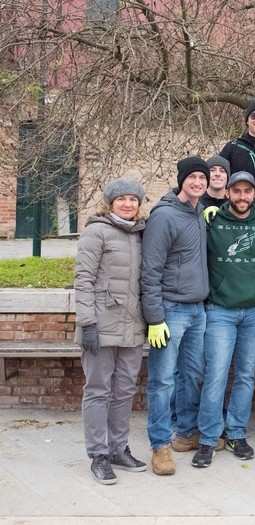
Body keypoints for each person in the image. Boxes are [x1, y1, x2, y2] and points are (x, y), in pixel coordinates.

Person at [192, 171, 255, 467]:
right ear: (227, 193)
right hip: (220, 310)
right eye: (235, 191)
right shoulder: (211, 222)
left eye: (246, 191)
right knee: (216, 374)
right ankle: (209, 438)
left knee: (246, 375)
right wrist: (203, 211)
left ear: (254, 195)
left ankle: (236, 432)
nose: (241, 196)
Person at [75, 178, 148, 485]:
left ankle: (119, 448)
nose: (128, 204)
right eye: (122, 199)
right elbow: (83, 279)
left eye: (133, 199)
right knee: (98, 390)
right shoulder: (96, 231)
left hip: (132, 325)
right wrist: (87, 323)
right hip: (101, 325)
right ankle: (99, 454)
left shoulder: (141, 234)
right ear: (110, 202)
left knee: (124, 391)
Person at [141, 156, 210, 476]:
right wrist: (155, 318)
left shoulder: (198, 214)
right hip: (171, 310)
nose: (198, 182)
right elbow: (150, 270)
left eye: (202, 178)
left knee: (192, 375)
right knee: (163, 380)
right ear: (182, 179)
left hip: (198, 311)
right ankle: (160, 445)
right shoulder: (165, 216)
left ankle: (184, 434)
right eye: (193, 177)